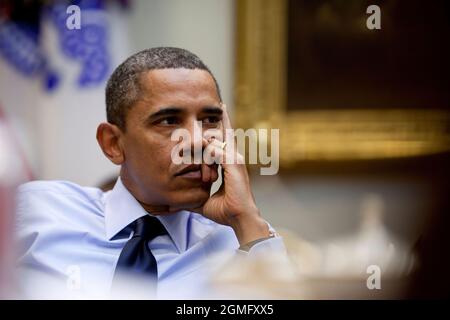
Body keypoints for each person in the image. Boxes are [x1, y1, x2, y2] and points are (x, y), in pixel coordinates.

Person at [15, 47, 285, 299]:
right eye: (169, 121)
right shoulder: (40, 211)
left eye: (210, 120)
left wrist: (247, 219)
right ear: (113, 143)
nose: (197, 141)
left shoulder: (244, 242)